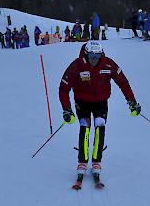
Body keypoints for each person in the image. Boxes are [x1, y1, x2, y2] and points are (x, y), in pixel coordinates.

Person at [58, 42, 141, 189]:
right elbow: (64, 88)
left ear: (101, 54)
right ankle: (82, 161)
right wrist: (67, 109)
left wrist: (132, 101)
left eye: (97, 55)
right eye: (91, 55)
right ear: (86, 54)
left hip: (101, 101)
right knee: (85, 127)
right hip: (82, 101)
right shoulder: (77, 65)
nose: (94, 59)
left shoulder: (108, 64)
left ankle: (97, 161)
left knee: (100, 126)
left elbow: (123, 82)